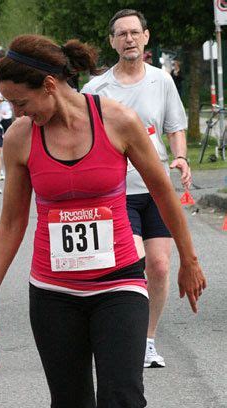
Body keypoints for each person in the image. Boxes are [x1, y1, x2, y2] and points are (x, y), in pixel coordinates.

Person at [0, 34, 206, 408]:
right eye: (8, 103)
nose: (14, 110)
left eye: (21, 101)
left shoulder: (116, 121)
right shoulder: (22, 138)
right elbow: (12, 221)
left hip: (120, 281)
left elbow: (162, 190)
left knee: (123, 399)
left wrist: (188, 259)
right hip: (54, 292)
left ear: (50, 85)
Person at [81, 9, 190, 368]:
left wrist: (180, 158)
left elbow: (175, 126)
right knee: (131, 263)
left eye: (134, 32)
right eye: (121, 34)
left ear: (146, 37)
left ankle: (146, 340)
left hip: (155, 188)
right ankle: (116, 333)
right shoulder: (96, 89)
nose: (129, 39)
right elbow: (81, 134)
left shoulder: (162, 81)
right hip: (115, 192)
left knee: (158, 266)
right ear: (112, 42)